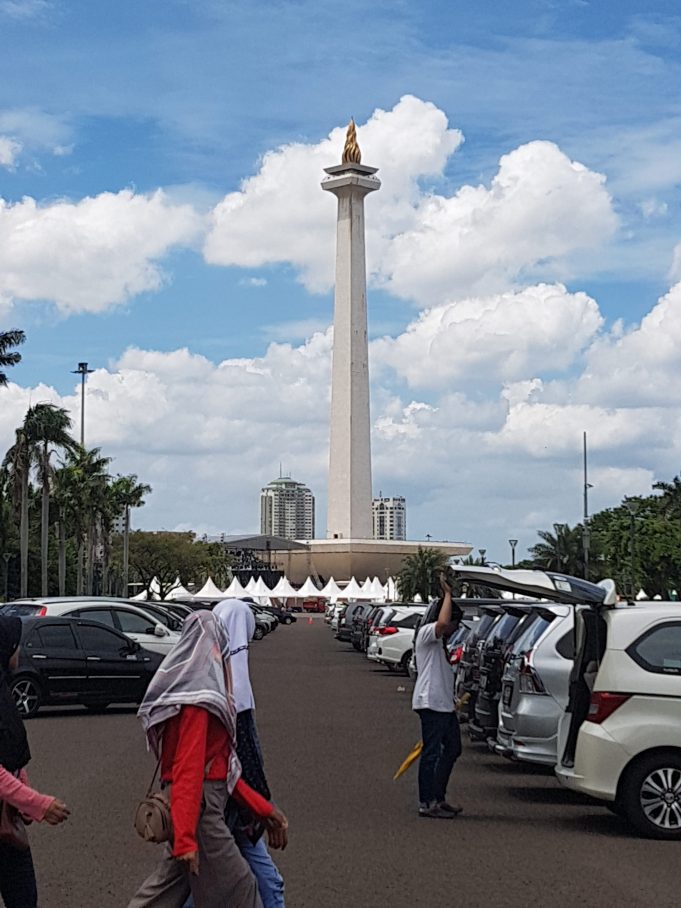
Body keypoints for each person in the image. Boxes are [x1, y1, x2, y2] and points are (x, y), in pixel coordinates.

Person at [127, 611, 288, 908]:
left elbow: (219, 770)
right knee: (241, 889)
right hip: (200, 810)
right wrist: (187, 838)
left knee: (165, 891)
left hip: (191, 805)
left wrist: (264, 809)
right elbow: (191, 770)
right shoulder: (200, 697)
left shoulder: (185, 688)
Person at [211, 599, 286, 908]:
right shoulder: (234, 682)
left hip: (220, 805)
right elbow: (242, 757)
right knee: (265, 884)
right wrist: (264, 808)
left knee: (198, 883)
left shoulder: (210, 673)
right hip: (232, 805)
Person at [0, 617, 70, 908]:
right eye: (17, 645)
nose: (20, 652)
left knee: (24, 897)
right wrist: (36, 803)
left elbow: (11, 751)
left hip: (7, 818)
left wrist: (24, 799)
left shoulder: (3, 688)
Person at [411, 575, 464, 819]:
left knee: (453, 748)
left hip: (444, 705)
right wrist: (448, 596)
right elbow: (442, 623)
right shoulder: (427, 634)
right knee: (431, 753)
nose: (454, 630)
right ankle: (427, 801)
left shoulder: (441, 643)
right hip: (430, 702)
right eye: (456, 624)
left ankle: (438, 796)